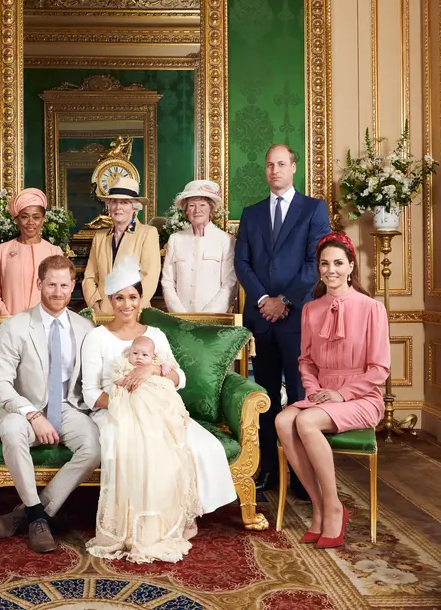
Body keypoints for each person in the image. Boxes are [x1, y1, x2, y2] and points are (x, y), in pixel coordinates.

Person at [82, 256, 237, 562]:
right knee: (131, 447)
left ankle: (176, 516)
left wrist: (152, 372)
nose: (127, 305)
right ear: (111, 300)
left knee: (199, 444)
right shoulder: (95, 337)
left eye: (133, 297)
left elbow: (179, 378)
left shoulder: (155, 336)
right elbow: (89, 393)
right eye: (120, 298)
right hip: (115, 409)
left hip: (160, 407)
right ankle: (133, 526)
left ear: (142, 300)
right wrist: (126, 401)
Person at [275, 233, 390, 548]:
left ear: (351, 266)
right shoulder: (311, 309)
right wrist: (313, 390)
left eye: (338, 263)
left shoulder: (371, 309)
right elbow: (306, 361)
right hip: (321, 395)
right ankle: (319, 506)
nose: (331, 270)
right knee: (283, 421)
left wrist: (341, 394)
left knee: (306, 421)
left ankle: (334, 507)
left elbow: (380, 369)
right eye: (325, 264)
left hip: (361, 397)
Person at [234, 144, 330, 498]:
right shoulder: (252, 213)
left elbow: (314, 262)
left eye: (281, 164)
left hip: (297, 318)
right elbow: (242, 263)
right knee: (265, 396)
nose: (274, 170)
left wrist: (284, 300)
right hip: (261, 319)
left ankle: (305, 477)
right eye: (269, 164)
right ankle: (268, 472)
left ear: (293, 168)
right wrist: (263, 300)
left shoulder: (313, 209)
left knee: (302, 395)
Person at [0, 255, 100, 553]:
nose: (58, 291)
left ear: (73, 286)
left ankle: (31, 512)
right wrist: (32, 413)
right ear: (39, 284)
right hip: (24, 409)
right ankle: (38, 517)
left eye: (64, 285)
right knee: (11, 429)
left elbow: (92, 380)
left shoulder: (85, 327)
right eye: (51, 284)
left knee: (94, 447)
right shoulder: (16, 326)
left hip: (68, 407)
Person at [85, 327, 200, 563]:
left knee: (167, 444)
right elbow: (103, 386)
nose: (139, 358)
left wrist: (156, 369)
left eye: (144, 355)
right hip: (123, 405)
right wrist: (126, 385)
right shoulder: (108, 348)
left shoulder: (157, 341)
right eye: (135, 354)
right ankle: (128, 525)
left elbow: (177, 377)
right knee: (130, 444)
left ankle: (166, 520)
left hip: (155, 405)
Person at [82, 177, 160, 314]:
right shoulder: (99, 237)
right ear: (109, 206)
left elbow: (150, 276)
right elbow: (89, 277)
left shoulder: (148, 233)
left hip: (134, 313)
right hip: (103, 313)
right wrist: (95, 304)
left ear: (134, 207)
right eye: (114, 202)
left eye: (124, 202)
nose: (118, 207)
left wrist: (131, 307)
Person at [162, 180, 238, 313]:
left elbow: (230, 283)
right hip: (180, 320)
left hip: (214, 319)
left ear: (211, 209)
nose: (197, 210)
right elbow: (167, 281)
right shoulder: (175, 239)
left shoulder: (225, 240)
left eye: (202, 205)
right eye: (191, 205)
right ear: (186, 211)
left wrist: (209, 315)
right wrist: (180, 315)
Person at [0, 187, 63, 316]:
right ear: (17, 219)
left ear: (43, 219)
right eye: (24, 217)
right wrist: (6, 316)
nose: (30, 222)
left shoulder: (54, 252)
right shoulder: (3, 250)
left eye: (36, 217)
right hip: (10, 323)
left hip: (44, 323)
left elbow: (59, 291)